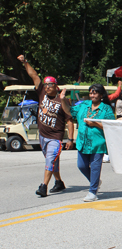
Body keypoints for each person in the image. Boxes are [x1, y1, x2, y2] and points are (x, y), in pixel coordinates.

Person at [17, 55, 74, 197]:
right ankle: (59, 182)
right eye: (46, 84)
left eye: (50, 84)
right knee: (52, 160)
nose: (47, 87)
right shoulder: (42, 93)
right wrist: (25, 62)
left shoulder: (62, 101)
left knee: (50, 159)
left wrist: (71, 139)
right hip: (42, 136)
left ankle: (43, 187)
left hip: (55, 138)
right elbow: (34, 75)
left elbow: (69, 121)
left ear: (56, 86)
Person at [60, 84, 115, 202]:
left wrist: (95, 124)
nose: (92, 95)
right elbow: (69, 111)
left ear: (101, 95)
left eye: (95, 93)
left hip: (97, 144)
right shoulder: (84, 105)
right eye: (91, 93)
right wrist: (62, 99)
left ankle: (92, 192)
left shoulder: (106, 109)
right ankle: (94, 181)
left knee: (95, 168)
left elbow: (111, 127)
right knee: (81, 166)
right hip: (82, 142)